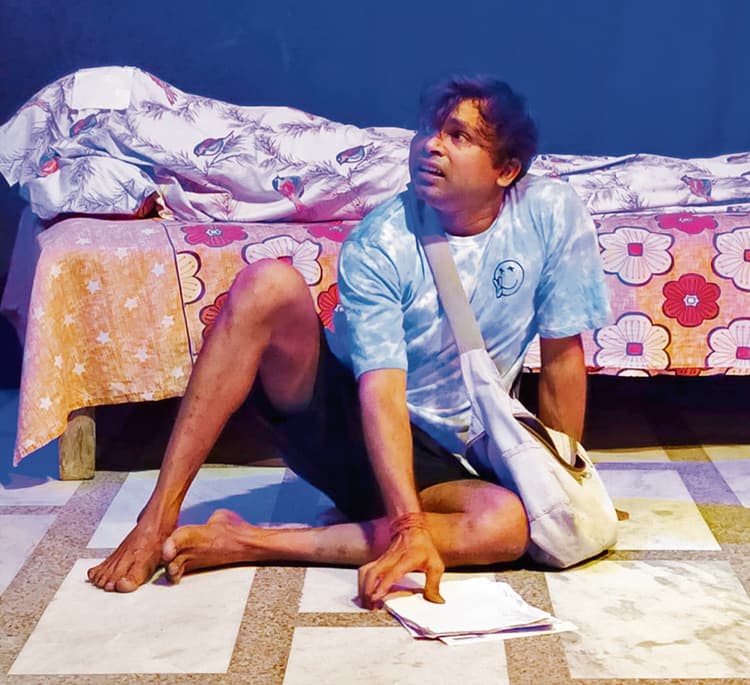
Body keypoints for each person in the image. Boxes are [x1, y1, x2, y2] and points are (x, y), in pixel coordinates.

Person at [88, 75, 611, 608]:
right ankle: (157, 517)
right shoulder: (382, 241)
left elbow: (562, 357)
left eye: (458, 136)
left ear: (506, 170)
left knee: (505, 525)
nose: (430, 145)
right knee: (267, 284)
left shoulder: (551, 213)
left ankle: (245, 541)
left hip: (462, 448)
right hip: (357, 423)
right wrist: (409, 527)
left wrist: (563, 484)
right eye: (427, 130)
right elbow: (381, 390)